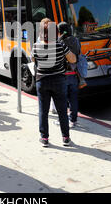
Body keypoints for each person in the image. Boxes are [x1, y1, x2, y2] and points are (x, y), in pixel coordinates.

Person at [31, 18, 76, 147]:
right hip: (59, 81)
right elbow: (72, 60)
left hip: (42, 81)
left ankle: (44, 138)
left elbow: (33, 59)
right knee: (62, 110)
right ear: (55, 33)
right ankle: (65, 137)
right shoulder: (61, 45)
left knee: (43, 111)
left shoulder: (36, 46)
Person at [57, 22, 81, 128]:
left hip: (63, 75)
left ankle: (63, 120)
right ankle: (73, 120)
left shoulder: (60, 42)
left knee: (62, 100)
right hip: (74, 74)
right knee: (73, 99)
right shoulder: (76, 40)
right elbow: (78, 53)